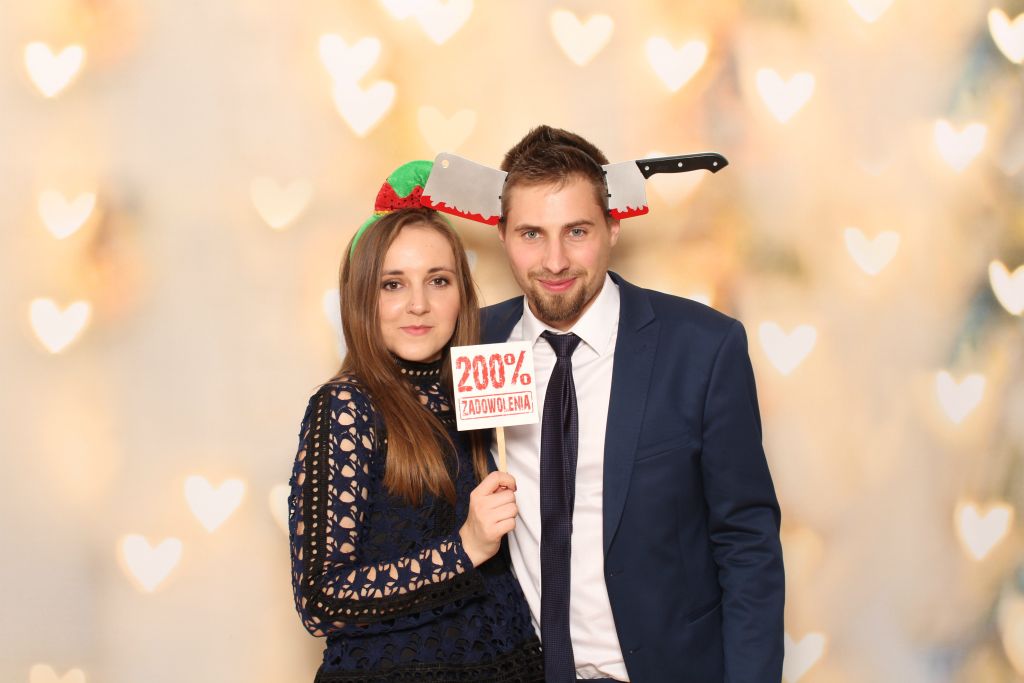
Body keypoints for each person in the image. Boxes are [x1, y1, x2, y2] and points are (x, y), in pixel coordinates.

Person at [481, 127, 785, 682]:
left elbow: (746, 540)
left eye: (577, 231)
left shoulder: (703, 348)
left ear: (613, 227)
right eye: (531, 234)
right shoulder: (474, 345)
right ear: (502, 235)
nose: (554, 261)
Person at [288, 161, 544, 682]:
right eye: (393, 285)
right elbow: (321, 600)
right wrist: (465, 548)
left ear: (461, 293)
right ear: (362, 297)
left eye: (438, 280)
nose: (418, 305)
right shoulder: (346, 407)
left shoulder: (475, 388)